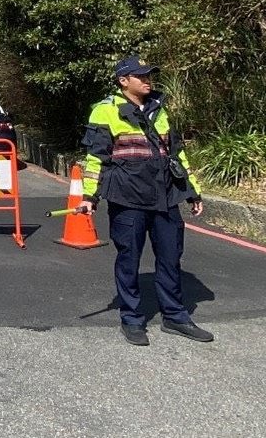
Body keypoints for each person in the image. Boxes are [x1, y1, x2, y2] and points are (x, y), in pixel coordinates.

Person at [76, 56, 214, 346]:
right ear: (123, 81)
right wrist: (90, 196)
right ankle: (132, 319)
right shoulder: (105, 110)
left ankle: (175, 316)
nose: (148, 80)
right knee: (129, 259)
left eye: (149, 75)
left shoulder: (159, 108)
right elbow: (96, 158)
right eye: (141, 76)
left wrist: (192, 190)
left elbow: (176, 153)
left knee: (171, 257)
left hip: (165, 196)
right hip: (127, 198)